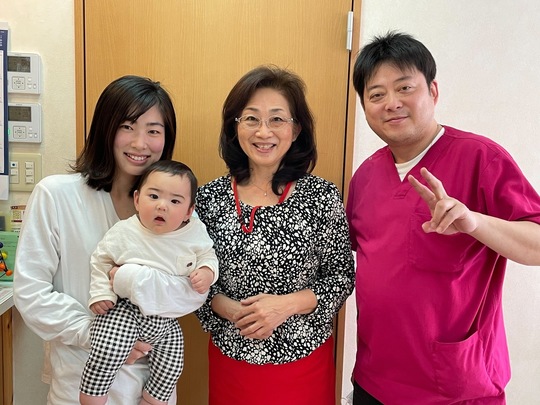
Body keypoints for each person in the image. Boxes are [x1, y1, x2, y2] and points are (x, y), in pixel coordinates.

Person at [347, 31, 540, 404]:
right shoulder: (365, 176)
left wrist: (475, 223)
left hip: (453, 384)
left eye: (405, 88)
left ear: (432, 91)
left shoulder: (480, 158)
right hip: (374, 378)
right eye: (376, 94)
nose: (391, 103)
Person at [13, 75, 204, 405]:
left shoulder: (177, 211)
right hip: (78, 383)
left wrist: (134, 279)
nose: (140, 143)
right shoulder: (57, 195)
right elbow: (31, 292)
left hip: (152, 387)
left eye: (153, 131)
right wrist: (100, 336)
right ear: (105, 128)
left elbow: (193, 292)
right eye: (127, 126)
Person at [194, 65, 355, 405]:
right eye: (251, 118)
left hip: (304, 363)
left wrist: (284, 306)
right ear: (235, 127)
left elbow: (341, 277)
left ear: (296, 130)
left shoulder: (321, 196)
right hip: (232, 363)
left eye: (277, 119)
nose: (263, 131)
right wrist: (232, 310)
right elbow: (190, 277)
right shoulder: (208, 199)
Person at [79, 159, 218, 405]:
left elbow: (208, 255)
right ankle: (92, 395)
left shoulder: (194, 233)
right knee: (106, 350)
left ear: (189, 211)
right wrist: (101, 294)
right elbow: (101, 261)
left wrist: (207, 271)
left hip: (167, 320)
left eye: (175, 201)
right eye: (153, 196)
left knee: (172, 364)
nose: (162, 206)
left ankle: (154, 399)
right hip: (126, 311)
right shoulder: (124, 231)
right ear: (137, 199)